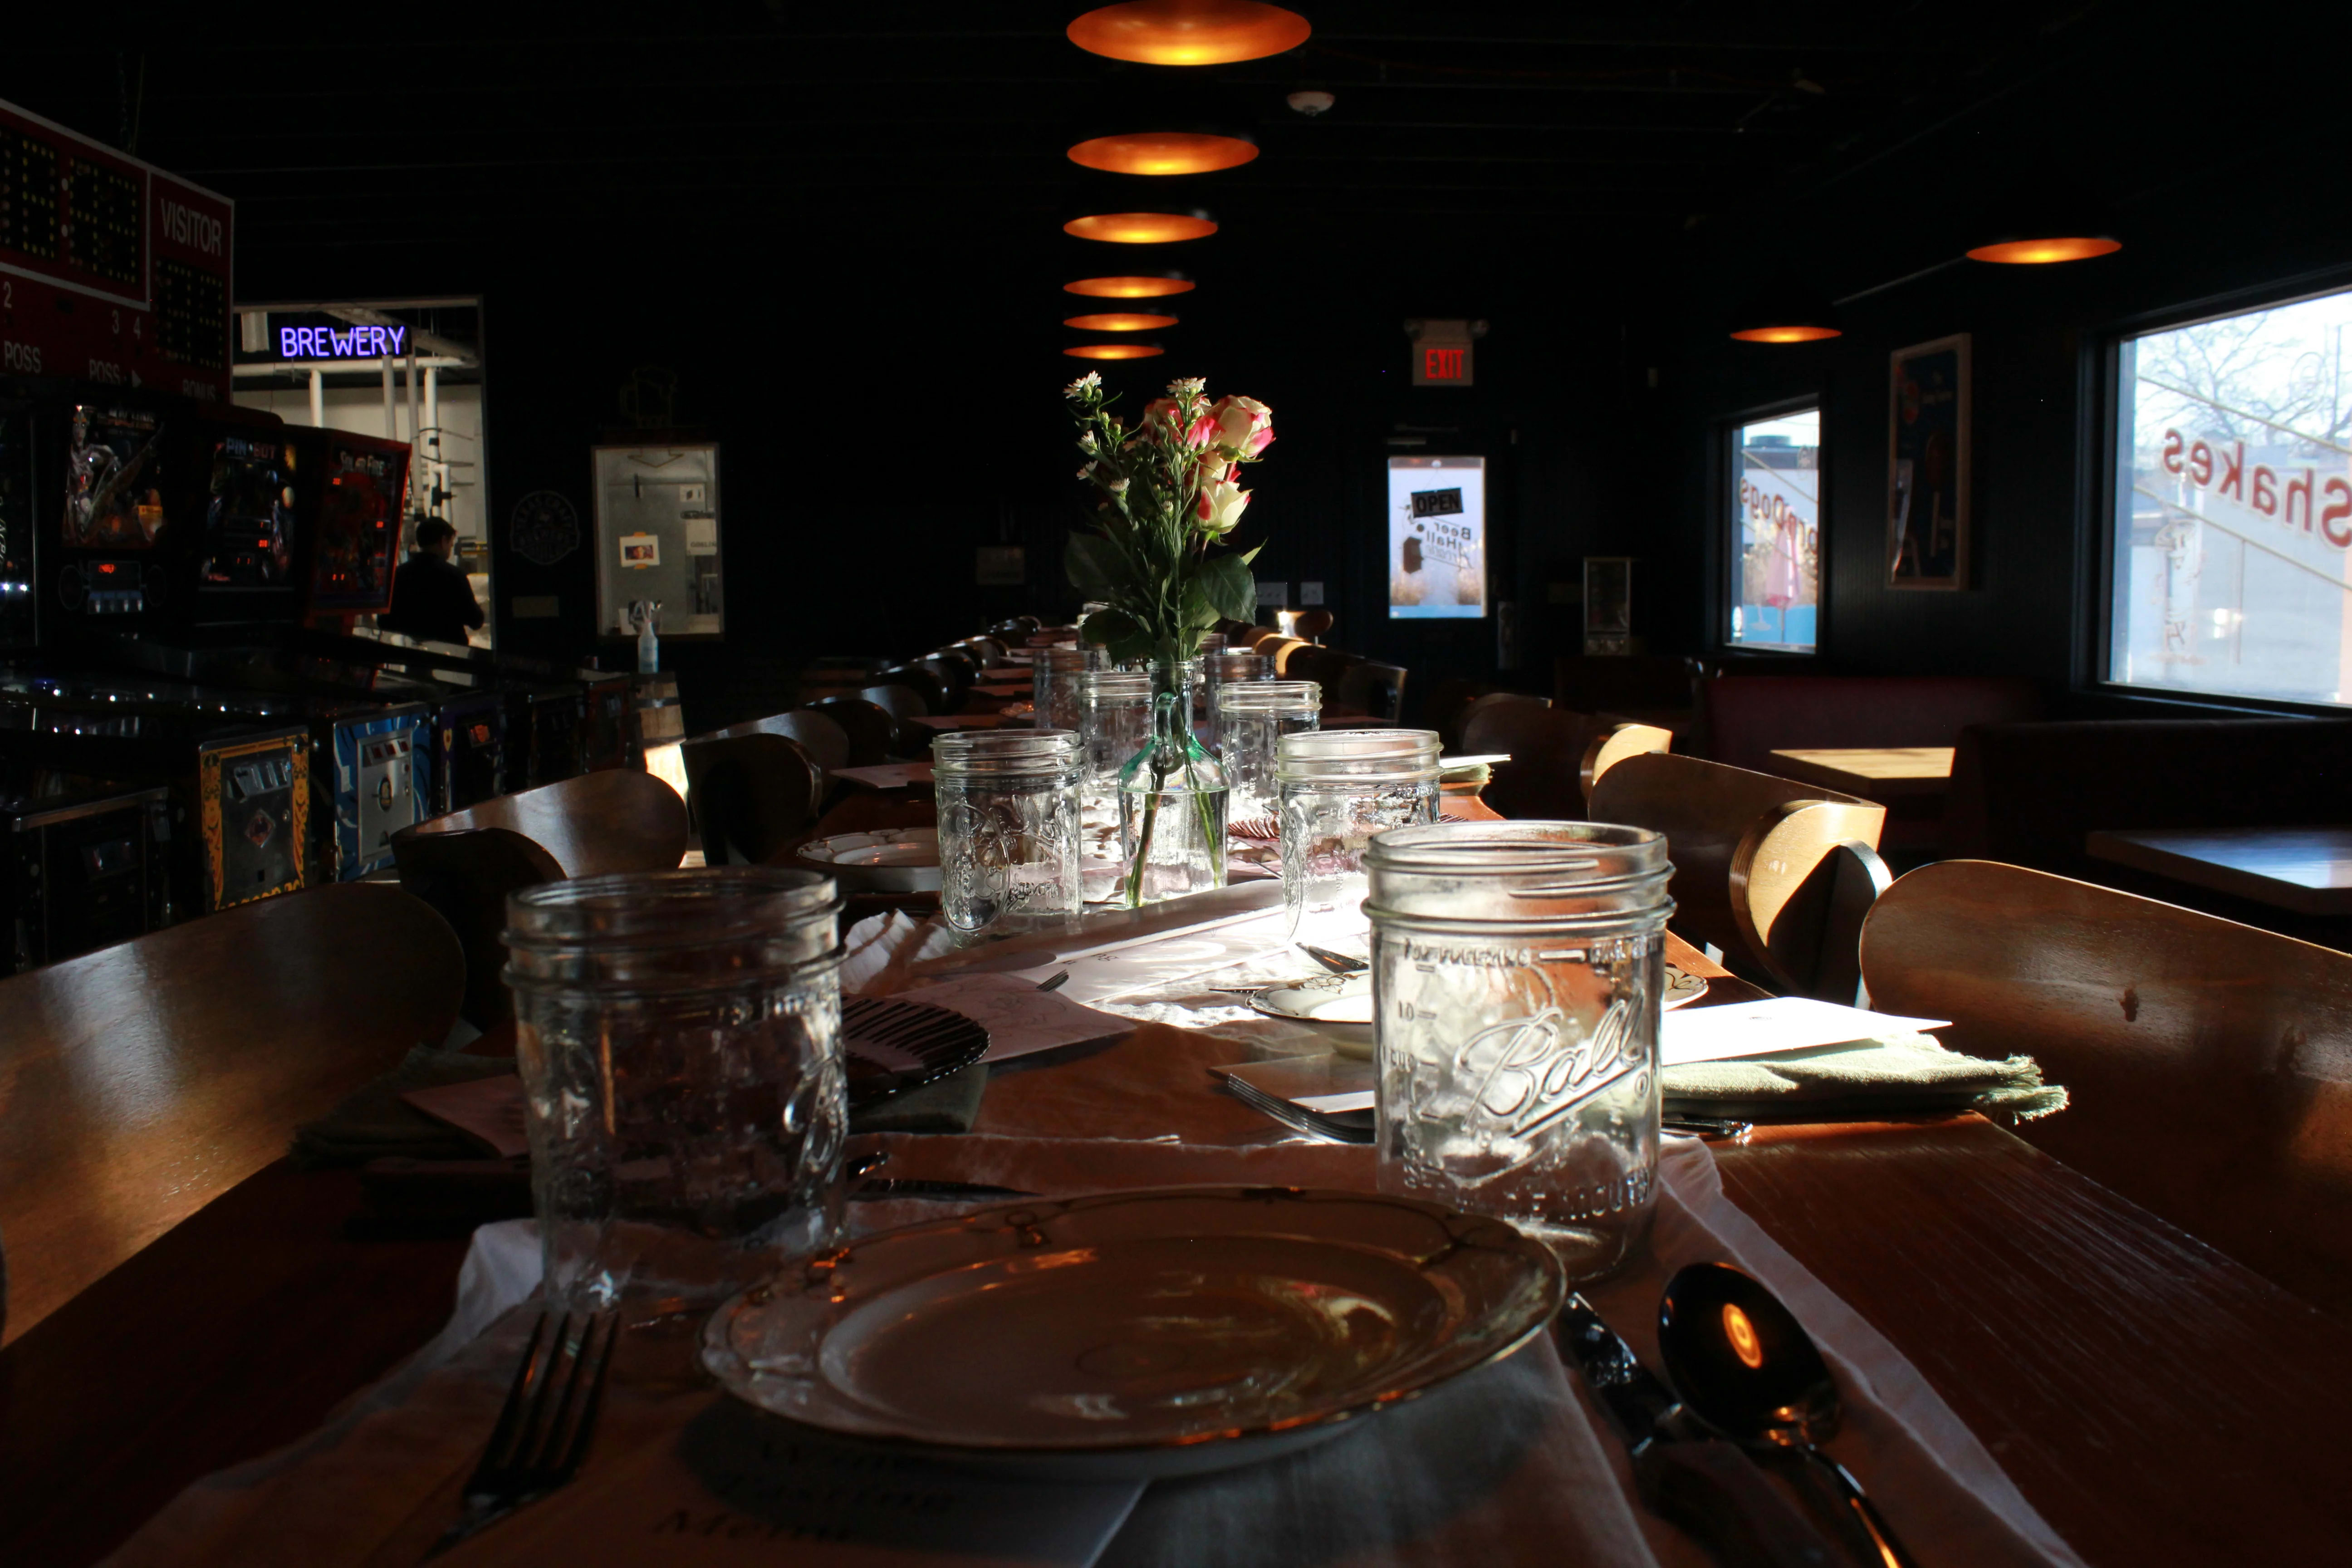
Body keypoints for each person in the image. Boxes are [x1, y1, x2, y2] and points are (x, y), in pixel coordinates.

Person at [382, 517, 485, 646]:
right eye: (451, 544)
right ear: (443, 541)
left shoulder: (397, 575)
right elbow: (476, 621)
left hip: (409, 650)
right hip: (450, 651)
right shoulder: (454, 576)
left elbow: (384, 622)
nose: (450, 549)